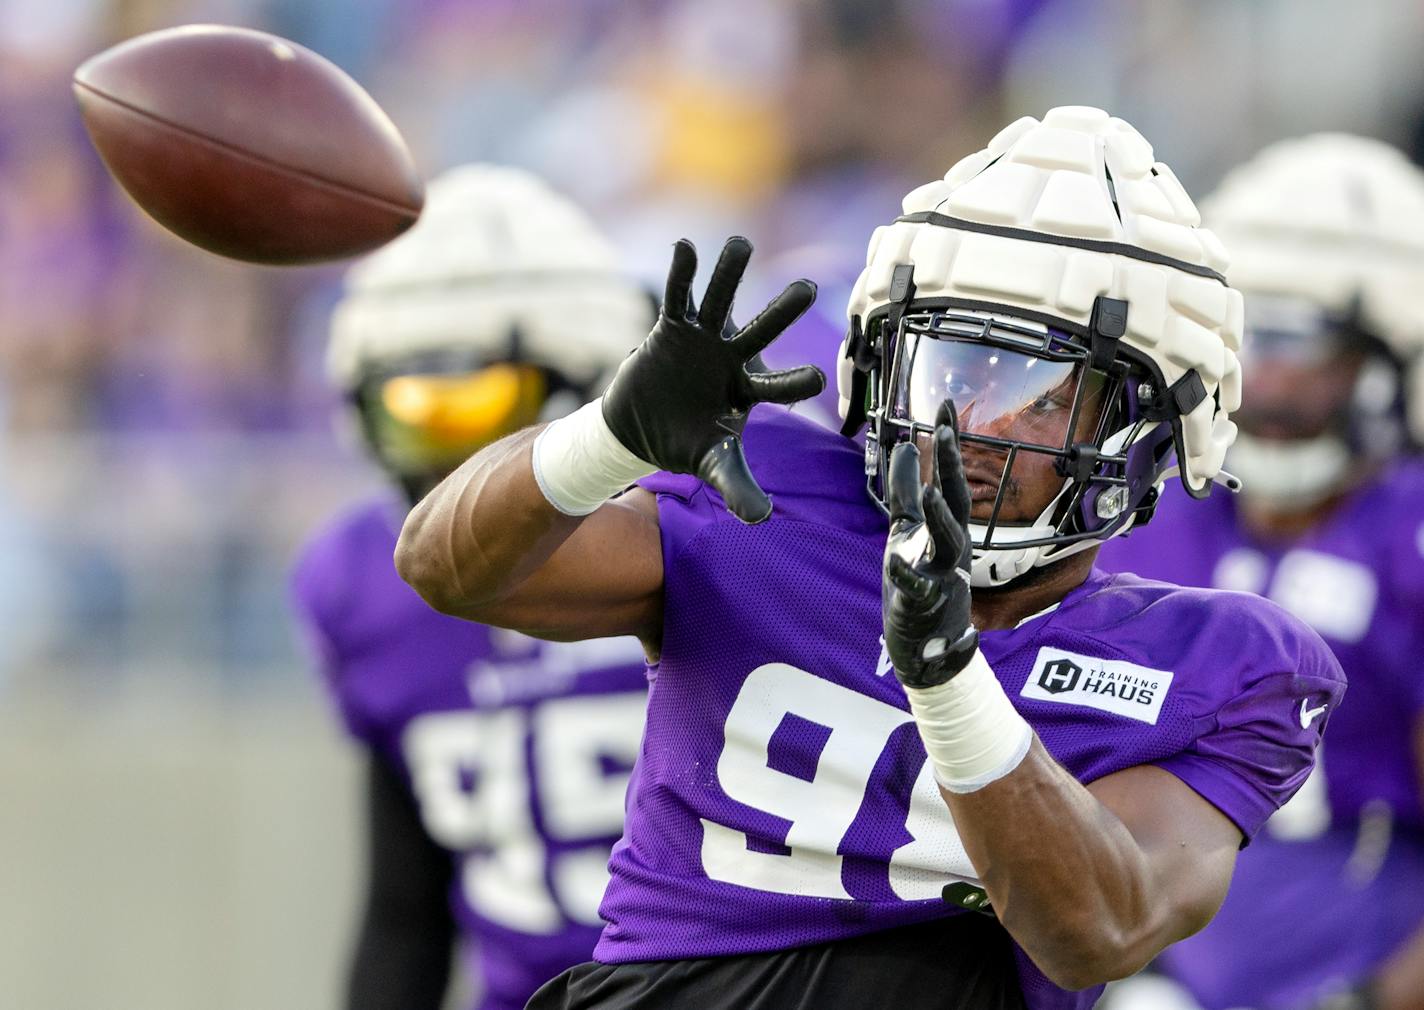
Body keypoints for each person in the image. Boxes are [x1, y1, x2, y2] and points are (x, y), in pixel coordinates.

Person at [395, 107, 1345, 1010]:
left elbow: (1099, 927)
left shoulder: (1219, 666)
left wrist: (947, 682)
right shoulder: (774, 499)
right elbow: (449, 569)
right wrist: (607, 437)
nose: (970, 424)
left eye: (1041, 392)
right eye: (950, 369)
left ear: (1148, 432)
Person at [290, 165, 654, 1010]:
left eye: (475, 405)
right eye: (414, 410)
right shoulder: (363, 588)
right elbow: (405, 915)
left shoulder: (707, 540)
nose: (453, 459)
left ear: (595, 385)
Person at [1098, 135, 1424, 1010]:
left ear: (1389, 361)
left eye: (1303, 347)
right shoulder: (1152, 508)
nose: (1266, 379)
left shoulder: (1406, 536)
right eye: (1250, 337)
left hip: (1345, 948)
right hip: (1137, 939)